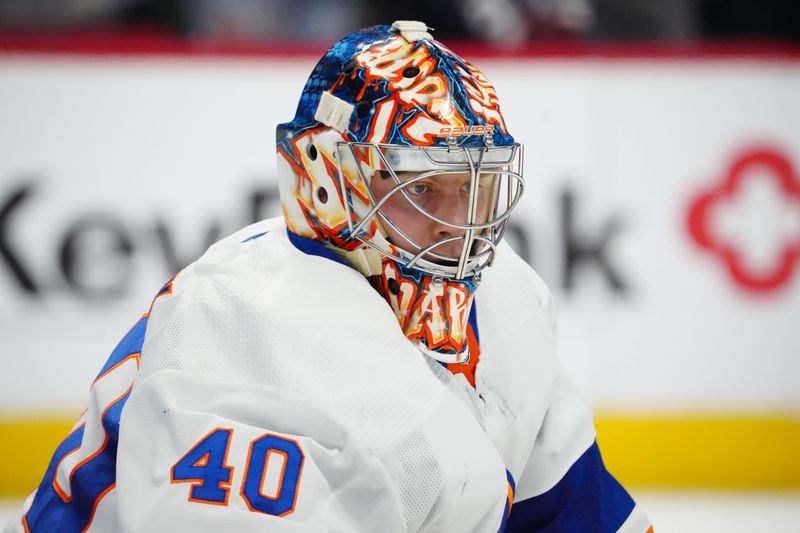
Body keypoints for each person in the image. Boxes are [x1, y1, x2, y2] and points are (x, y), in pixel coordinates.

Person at [5, 21, 652, 533]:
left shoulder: (508, 299)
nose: (458, 225)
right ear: (328, 178)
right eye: (424, 187)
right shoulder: (244, 333)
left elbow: (572, 512)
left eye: (472, 188)